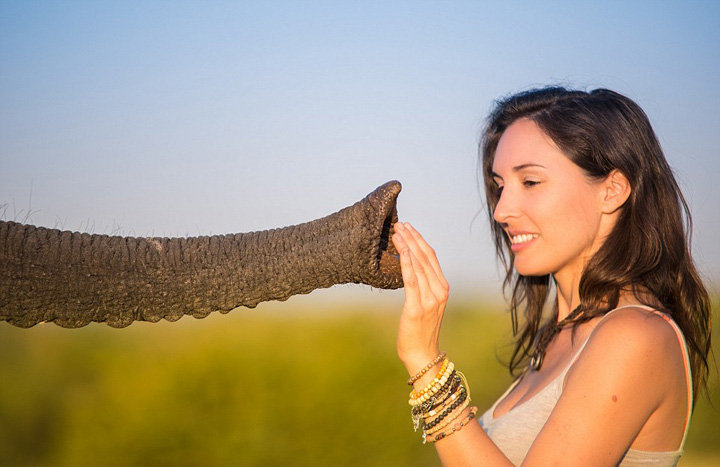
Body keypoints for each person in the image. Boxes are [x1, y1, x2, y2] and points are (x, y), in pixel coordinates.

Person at [391, 86, 712, 466]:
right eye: (500, 187)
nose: (502, 211)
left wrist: (426, 363)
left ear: (612, 190)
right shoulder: (562, 336)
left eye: (530, 182)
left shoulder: (635, 335)